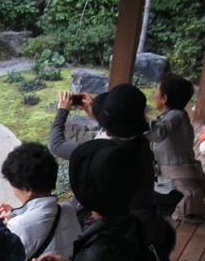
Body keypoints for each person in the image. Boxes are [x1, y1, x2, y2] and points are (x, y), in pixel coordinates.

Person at [49, 83, 167, 250]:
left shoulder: (102, 152)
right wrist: (100, 117)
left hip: (112, 226)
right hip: (142, 222)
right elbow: (124, 129)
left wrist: (62, 111)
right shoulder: (142, 144)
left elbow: (56, 145)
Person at [146, 73, 205, 223]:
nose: (154, 94)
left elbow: (158, 133)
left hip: (173, 189)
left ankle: (168, 209)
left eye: (156, 91)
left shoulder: (174, 116)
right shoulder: (179, 116)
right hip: (177, 186)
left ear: (164, 98)